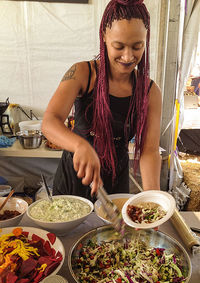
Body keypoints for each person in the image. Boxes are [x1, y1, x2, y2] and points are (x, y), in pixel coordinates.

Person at [42, 0, 162, 201]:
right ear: (104, 36)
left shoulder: (150, 91)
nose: (128, 56)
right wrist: (80, 146)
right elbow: (49, 122)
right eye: (119, 46)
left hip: (117, 182)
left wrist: (153, 200)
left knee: (114, 232)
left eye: (137, 46)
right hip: (75, 177)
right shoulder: (83, 73)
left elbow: (149, 150)